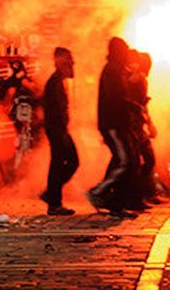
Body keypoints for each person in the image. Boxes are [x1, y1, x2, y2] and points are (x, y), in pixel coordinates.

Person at [87, 37, 142, 217]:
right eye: (124, 50)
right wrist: (132, 106)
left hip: (118, 123)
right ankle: (100, 193)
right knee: (125, 161)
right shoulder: (112, 70)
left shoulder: (116, 70)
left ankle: (115, 203)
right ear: (117, 52)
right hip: (113, 123)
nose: (127, 54)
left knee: (126, 161)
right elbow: (115, 98)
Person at [41, 47, 80, 215]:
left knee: (60, 163)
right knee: (66, 162)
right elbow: (55, 110)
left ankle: (52, 196)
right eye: (67, 61)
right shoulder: (54, 83)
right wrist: (61, 130)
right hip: (57, 129)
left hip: (59, 129)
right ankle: (53, 199)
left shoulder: (57, 81)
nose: (71, 64)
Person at [127, 51, 160, 204]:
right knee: (144, 159)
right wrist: (149, 123)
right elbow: (141, 105)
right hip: (135, 125)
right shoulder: (138, 79)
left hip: (136, 124)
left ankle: (143, 194)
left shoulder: (137, 78)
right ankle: (138, 195)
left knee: (141, 160)